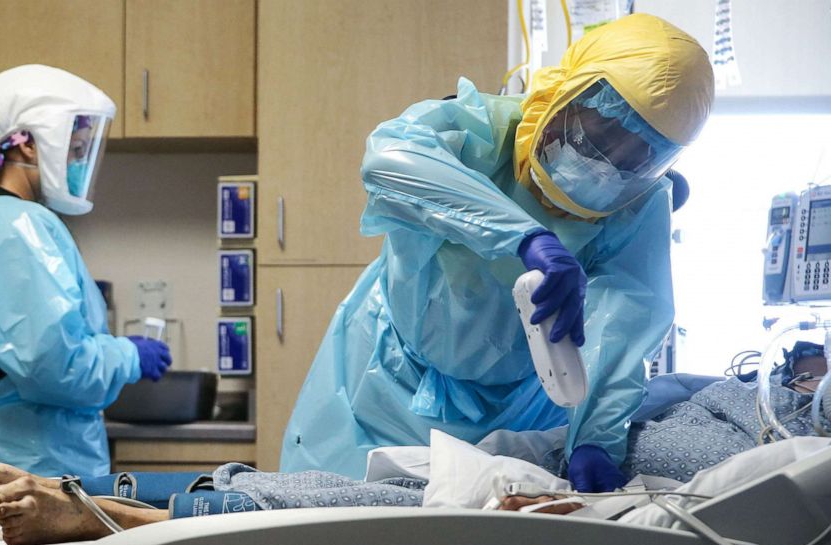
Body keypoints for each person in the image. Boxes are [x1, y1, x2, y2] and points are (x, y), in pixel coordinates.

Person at [279, 13, 715, 491]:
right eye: (601, 128)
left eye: (636, 154)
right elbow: (389, 160)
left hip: (524, 409)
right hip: (383, 385)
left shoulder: (640, 204)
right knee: (341, 526)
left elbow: (625, 326)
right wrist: (525, 238)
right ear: (569, 93)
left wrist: (595, 439)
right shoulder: (480, 129)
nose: (604, 164)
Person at [0, 65, 171, 529]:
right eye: (75, 148)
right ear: (25, 142)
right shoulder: (17, 226)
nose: (80, 162)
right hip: (18, 462)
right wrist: (127, 356)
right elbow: (53, 365)